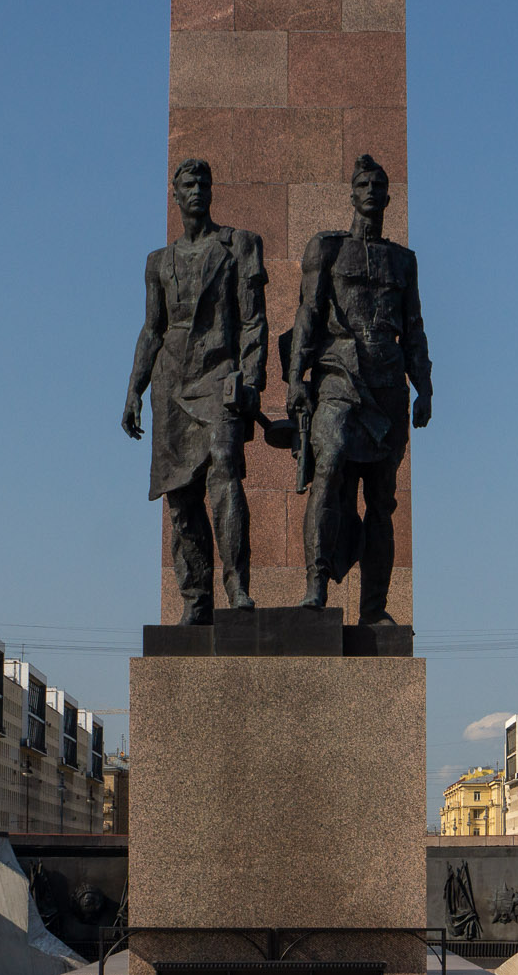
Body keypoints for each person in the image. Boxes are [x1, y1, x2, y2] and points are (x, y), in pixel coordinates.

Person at [284, 153, 431, 625]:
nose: (371, 191)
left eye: (379, 185)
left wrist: (423, 387)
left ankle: (374, 610)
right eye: (364, 184)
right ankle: (316, 586)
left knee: (382, 501)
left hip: (388, 384)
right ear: (352, 193)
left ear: (389, 196)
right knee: (327, 468)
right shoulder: (325, 249)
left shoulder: (402, 261)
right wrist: (295, 378)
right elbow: (308, 315)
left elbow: (414, 329)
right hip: (339, 379)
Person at [122, 158, 267, 624]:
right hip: (170, 384)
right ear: (175, 194)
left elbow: (253, 321)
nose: (198, 189)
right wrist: (133, 390)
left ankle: (238, 584)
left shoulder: (238, 246)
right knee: (180, 498)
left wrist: (249, 376)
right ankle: (196, 595)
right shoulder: (157, 262)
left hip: (219, 378)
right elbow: (151, 329)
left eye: (205, 181)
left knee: (225, 468)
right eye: (189, 183)